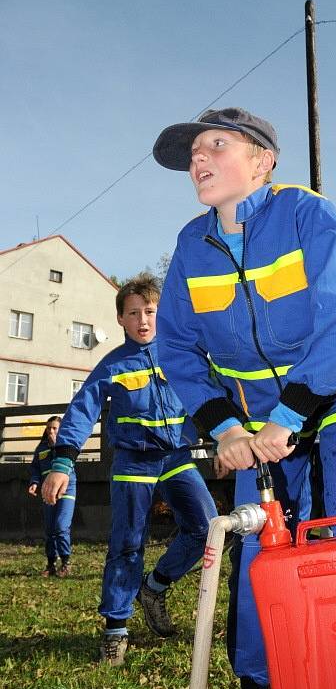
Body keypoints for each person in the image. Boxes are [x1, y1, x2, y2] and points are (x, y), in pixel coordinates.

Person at [153, 107, 336, 689]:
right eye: (193, 154)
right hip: (250, 424)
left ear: (262, 160)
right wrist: (225, 427)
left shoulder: (307, 213)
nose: (198, 160)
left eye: (216, 145)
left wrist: (289, 416)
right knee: (259, 548)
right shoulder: (189, 244)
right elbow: (174, 347)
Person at [41, 273, 218, 666]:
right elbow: (81, 411)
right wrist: (62, 464)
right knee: (128, 542)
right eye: (133, 313)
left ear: (162, 313)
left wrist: (227, 441)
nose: (143, 320)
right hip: (133, 460)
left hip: (176, 457)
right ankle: (115, 630)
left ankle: (154, 587)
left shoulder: (183, 355)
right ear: (120, 319)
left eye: (150, 312)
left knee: (209, 529)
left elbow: (211, 396)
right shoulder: (111, 364)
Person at [28, 415, 76, 577]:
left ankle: (66, 562)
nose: (51, 431)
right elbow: (35, 468)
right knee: (49, 529)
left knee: (61, 526)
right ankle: (51, 564)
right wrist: (34, 482)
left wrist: (57, 446)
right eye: (49, 428)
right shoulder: (41, 448)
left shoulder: (65, 445)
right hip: (48, 490)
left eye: (55, 428)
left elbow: (67, 464)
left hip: (66, 490)